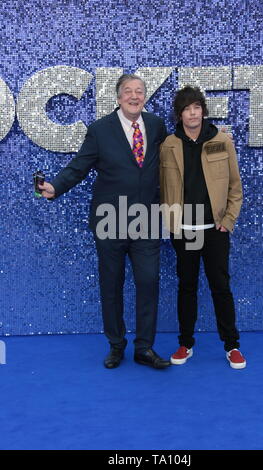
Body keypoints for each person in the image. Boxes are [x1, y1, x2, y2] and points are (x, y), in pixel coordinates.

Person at [38, 74, 171, 369]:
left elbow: (171, 163)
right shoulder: (100, 130)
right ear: (118, 97)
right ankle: (116, 345)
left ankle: (144, 348)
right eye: (128, 92)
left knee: (148, 282)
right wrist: (56, 186)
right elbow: (79, 166)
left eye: (139, 91)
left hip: (147, 220)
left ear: (145, 96)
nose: (134, 96)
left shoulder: (156, 126)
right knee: (112, 286)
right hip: (109, 221)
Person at [160, 86, 246, 369]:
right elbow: (161, 188)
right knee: (187, 287)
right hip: (184, 229)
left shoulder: (222, 141)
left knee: (220, 286)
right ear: (180, 114)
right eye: (186, 109)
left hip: (214, 229)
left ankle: (232, 345)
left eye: (196, 107)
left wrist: (228, 221)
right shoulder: (169, 145)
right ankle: (185, 343)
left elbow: (235, 187)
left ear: (203, 111)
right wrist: (170, 222)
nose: (192, 113)